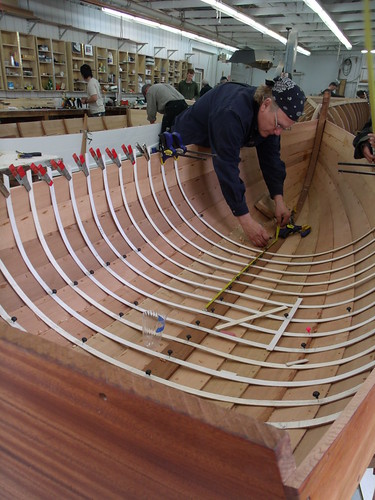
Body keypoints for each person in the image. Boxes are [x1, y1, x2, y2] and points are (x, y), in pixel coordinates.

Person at [173, 77, 306, 248]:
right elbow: (227, 166)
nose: (278, 132)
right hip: (188, 142)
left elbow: (271, 158)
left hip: (218, 139)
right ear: (265, 104)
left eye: (284, 129)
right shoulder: (232, 112)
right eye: (278, 124)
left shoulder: (271, 122)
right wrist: (246, 221)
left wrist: (278, 200)